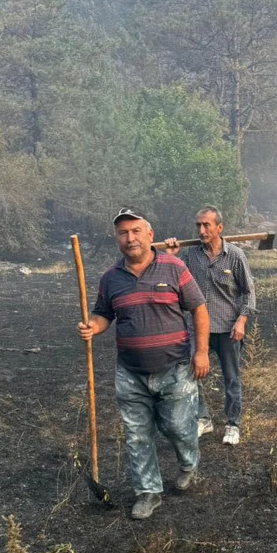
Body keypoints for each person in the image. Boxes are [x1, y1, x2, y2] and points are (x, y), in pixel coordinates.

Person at [77, 208, 210, 520]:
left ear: (150, 235)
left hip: (175, 368)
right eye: (123, 233)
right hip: (130, 373)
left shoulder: (175, 268)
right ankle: (148, 492)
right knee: (137, 436)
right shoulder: (111, 279)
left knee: (178, 427)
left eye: (136, 231)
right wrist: (92, 327)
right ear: (117, 239)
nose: (130, 238)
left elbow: (200, 309)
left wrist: (201, 352)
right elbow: (103, 315)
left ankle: (189, 463)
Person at [164, 206, 256, 446]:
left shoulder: (234, 255)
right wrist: (172, 255)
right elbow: (170, 277)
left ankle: (233, 424)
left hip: (227, 328)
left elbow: (249, 292)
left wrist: (242, 320)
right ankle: (202, 418)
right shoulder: (190, 256)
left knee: (231, 378)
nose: (201, 230)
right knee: (191, 375)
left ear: (219, 228)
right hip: (197, 329)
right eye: (198, 225)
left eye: (206, 225)